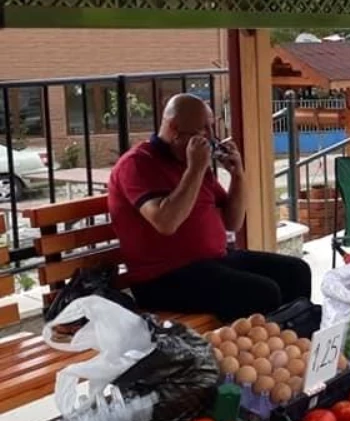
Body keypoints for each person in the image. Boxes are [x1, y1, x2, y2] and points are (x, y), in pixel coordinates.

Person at [107, 93, 312, 322]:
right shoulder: (137, 164)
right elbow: (166, 222)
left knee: (296, 272)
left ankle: (296, 345)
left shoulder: (194, 163)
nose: (212, 138)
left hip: (212, 262)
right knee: (261, 293)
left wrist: (237, 175)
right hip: (162, 276)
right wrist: (195, 169)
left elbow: (233, 221)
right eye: (203, 131)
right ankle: (257, 352)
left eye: (212, 128)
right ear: (174, 129)